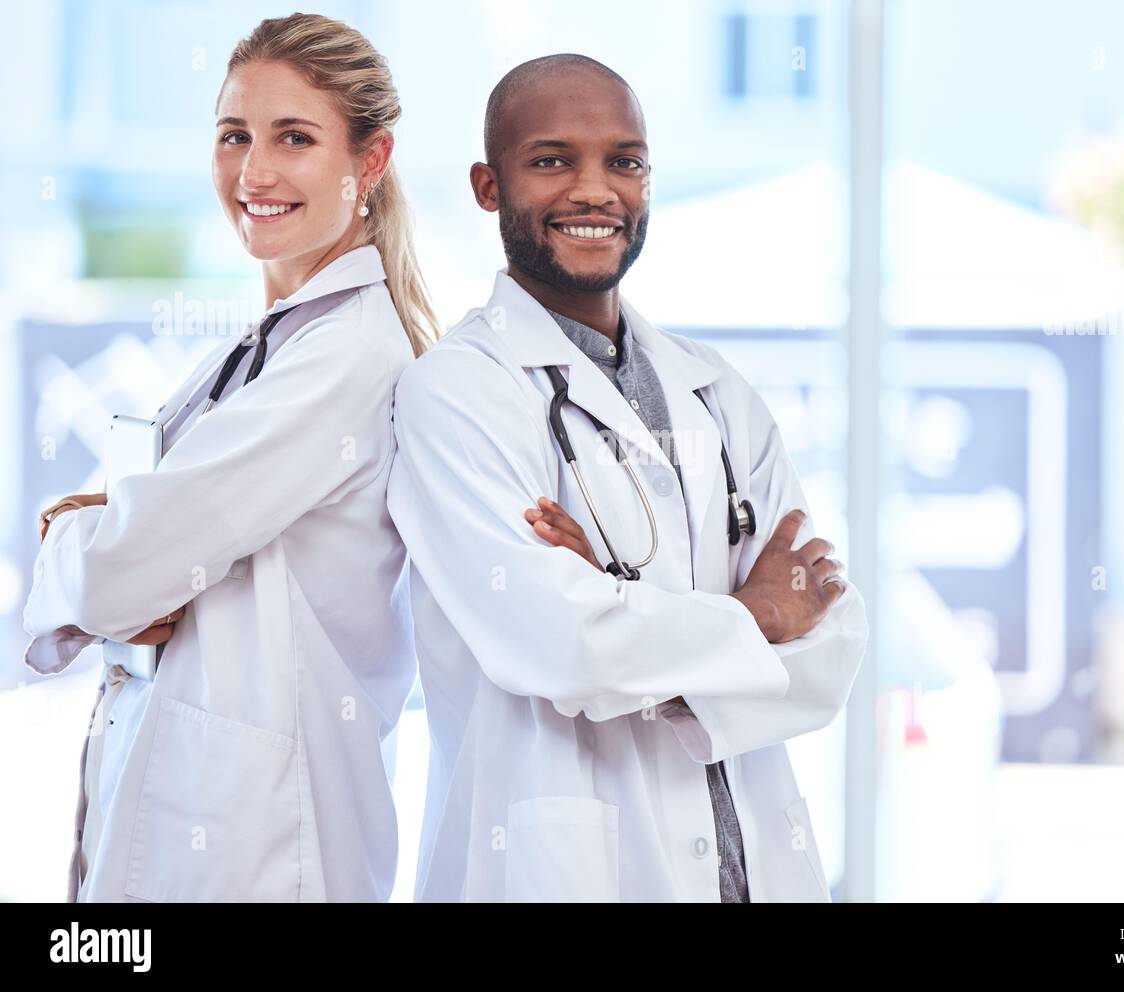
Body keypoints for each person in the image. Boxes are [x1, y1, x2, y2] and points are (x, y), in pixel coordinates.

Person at [388, 54, 869, 902]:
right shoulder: (456, 392)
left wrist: (628, 621)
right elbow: (560, 646)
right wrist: (748, 618)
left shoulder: (716, 392)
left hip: (756, 870)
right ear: (488, 186)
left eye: (624, 161)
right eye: (550, 160)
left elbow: (833, 638)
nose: (594, 189)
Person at [23, 12, 438, 902]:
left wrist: (69, 543)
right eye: (234, 135)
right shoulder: (271, 346)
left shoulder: (346, 360)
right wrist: (107, 549)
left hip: (266, 845)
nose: (254, 171)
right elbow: (133, 560)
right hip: (200, 817)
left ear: (368, 162)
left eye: (295, 137)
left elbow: (112, 574)